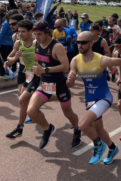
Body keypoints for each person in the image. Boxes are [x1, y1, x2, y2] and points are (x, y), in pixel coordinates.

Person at [67, 31, 121, 165]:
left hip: (104, 98)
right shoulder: (75, 60)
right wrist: (69, 80)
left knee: (82, 125)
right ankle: (113, 148)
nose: (79, 45)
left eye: (83, 42)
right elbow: (69, 84)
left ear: (91, 43)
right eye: (78, 42)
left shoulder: (102, 60)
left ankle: (98, 145)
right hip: (90, 99)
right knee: (98, 129)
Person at [27, 21, 81, 149]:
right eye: (35, 34)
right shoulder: (36, 44)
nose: (36, 37)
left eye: (39, 34)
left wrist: (45, 70)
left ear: (47, 33)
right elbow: (39, 61)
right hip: (44, 84)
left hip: (59, 85)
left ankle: (77, 129)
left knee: (68, 113)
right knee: (31, 111)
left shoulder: (56, 46)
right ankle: (48, 128)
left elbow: (65, 66)